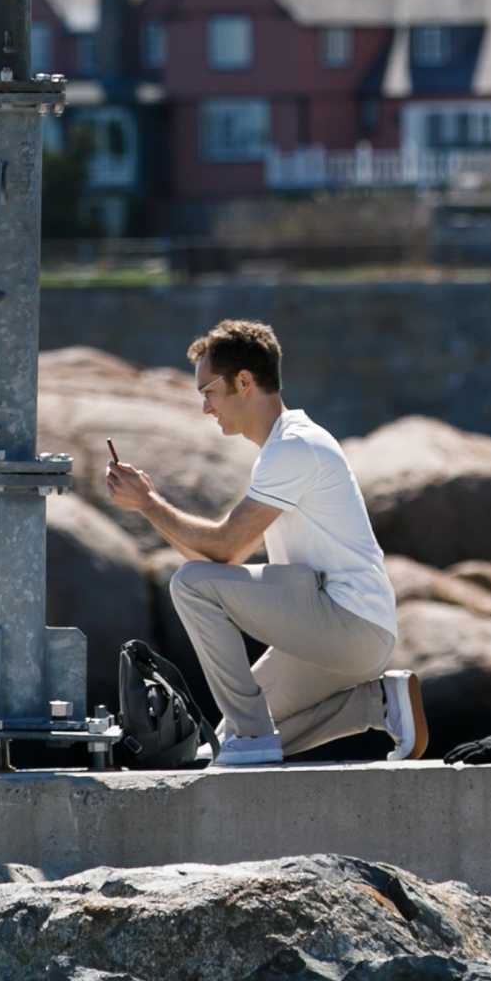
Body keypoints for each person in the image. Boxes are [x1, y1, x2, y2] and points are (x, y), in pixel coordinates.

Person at [105, 317, 427, 770]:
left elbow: (225, 550)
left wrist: (149, 503)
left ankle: (254, 734)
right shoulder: (283, 447)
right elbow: (221, 553)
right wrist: (148, 504)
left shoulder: (294, 447)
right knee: (223, 743)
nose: (205, 408)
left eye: (208, 392)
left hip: (347, 623)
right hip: (343, 634)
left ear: (243, 381)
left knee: (191, 585)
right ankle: (376, 704)